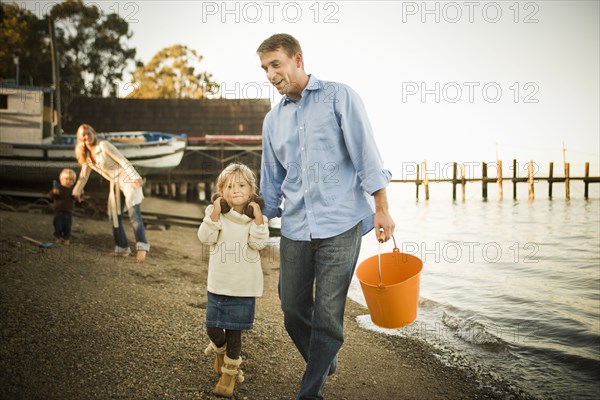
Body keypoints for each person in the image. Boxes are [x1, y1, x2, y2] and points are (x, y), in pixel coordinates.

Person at [256, 33, 396, 399]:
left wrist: (382, 209)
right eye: (265, 68)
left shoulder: (340, 96)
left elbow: (367, 154)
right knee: (291, 307)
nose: (271, 75)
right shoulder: (273, 121)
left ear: (297, 59)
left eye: (276, 65)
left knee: (328, 315)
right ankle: (324, 358)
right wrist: (254, 218)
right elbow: (271, 178)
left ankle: (310, 390)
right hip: (296, 226)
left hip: (341, 223)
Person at [197, 163, 269, 398]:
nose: (235, 189)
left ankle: (229, 374)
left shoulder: (255, 219)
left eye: (241, 185)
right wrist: (215, 213)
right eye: (229, 186)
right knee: (213, 327)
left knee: (235, 332)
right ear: (221, 192)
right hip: (219, 282)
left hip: (243, 286)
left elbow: (258, 244)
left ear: (251, 191)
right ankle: (220, 350)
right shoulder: (215, 214)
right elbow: (205, 238)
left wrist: (258, 218)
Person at [72, 124, 149, 263]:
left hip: (127, 178)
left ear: (94, 134)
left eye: (89, 133)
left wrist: (134, 176)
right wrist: (76, 191)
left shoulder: (104, 145)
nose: (87, 136)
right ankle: (122, 248)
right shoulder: (87, 157)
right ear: (80, 138)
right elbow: (83, 176)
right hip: (115, 184)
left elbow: (122, 160)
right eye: (83, 135)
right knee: (114, 215)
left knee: (134, 214)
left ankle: (142, 247)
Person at [50, 168, 77, 245]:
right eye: (66, 179)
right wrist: (54, 192)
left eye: (71, 180)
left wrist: (80, 194)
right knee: (57, 225)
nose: (68, 181)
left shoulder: (73, 190)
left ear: (73, 181)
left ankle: (66, 238)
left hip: (69, 211)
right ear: (61, 179)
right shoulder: (58, 188)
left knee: (67, 226)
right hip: (58, 211)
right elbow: (52, 197)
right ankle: (58, 237)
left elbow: (77, 199)